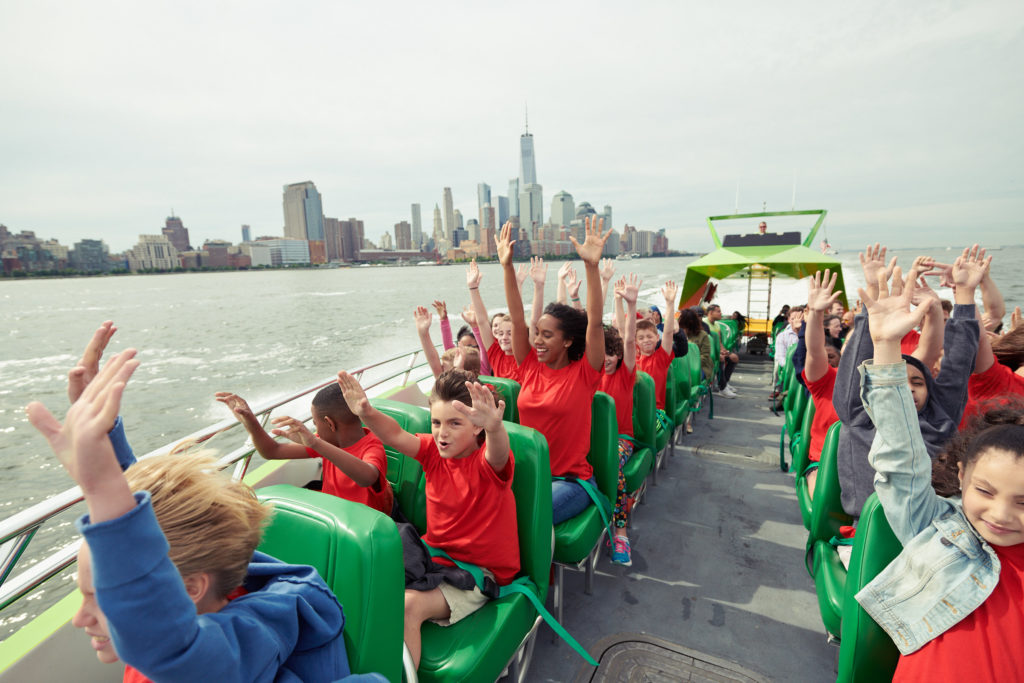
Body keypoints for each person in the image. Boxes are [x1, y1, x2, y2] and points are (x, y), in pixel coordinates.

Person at [26, 341, 378, 682]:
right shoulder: (205, 572)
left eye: (107, 595)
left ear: (192, 587)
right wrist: (104, 438)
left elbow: (174, 653)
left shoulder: (248, 639)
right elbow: (154, 522)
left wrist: (103, 491)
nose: (79, 618)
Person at [854, 267, 1024, 680]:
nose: (1000, 514)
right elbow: (902, 461)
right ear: (962, 475)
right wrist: (886, 346)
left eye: (1023, 502)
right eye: (985, 490)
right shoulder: (939, 530)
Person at [336, 368, 519, 670]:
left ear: (477, 427)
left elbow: (498, 454)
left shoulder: (488, 465)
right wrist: (366, 412)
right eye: (436, 422)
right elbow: (395, 434)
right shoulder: (433, 452)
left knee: (407, 607)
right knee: (364, 580)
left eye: (454, 424)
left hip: (475, 574)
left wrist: (496, 429)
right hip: (431, 557)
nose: (441, 433)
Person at [834, 246, 986, 521]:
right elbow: (859, 363)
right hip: (872, 535)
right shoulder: (858, 417)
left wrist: (964, 295)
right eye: (896, 382)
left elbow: (958, 365)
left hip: (935, 528)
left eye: (917, 381)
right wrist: (873, 317)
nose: (907, 388)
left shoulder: (941, 420)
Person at [499, 217, 610, 525]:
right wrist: (507, 267)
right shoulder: (530, 366)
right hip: (530, 476)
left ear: (568, 340)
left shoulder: (585, 372)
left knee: (525, 518)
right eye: (538, 333)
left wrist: (591, 268)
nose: (538, 341)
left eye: (547, 335)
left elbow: (596, 323)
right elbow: (517, 315)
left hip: (571, 482)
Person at [216, 384, 393, 515]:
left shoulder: (371, 446)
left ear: (330, 423)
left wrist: (316, 444)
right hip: (333, 516)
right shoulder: (327, 443)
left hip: (362, 529)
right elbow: (272, 451)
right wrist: (250, 422)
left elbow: (368, 477)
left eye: (315, 424)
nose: (315, 431)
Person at [600, 274, 641, 565]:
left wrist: (630, 303)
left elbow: (627, 337)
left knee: (612, 465)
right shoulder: (589, 376)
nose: (606, 359)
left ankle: (621, 533)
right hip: (592, 441)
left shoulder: (626, 376)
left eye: (611, 354)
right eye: (600, 354)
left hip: (621, 441)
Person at [800, 270, 844, 500]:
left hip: (867, 468)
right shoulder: (828, 379)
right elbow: (815, 351)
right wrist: (816, 313)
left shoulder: (882, 388)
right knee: (823, 498)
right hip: (824, 464)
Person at [636, 282, 679, 412]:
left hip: (656, 412)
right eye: (641, 338)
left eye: (649, 336)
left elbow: (668, 332)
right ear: (635, 342)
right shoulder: (633, 360)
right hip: (636, 411)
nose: (646, 341)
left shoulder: (661, 358)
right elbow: (623, 331)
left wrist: (670, 304)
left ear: (657, 338)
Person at [705, 304, 739, 398]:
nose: (721, 313)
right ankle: (722, 388)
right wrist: (719, 353)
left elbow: (719, 341)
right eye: (718, 311)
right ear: (711, 313)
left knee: (734, 358)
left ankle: (725, 383)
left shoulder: (716, 325)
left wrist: (724, 350)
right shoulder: (705, 324)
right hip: (709, 352)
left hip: (717, 350)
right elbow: (706, 344)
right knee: (721, 358)